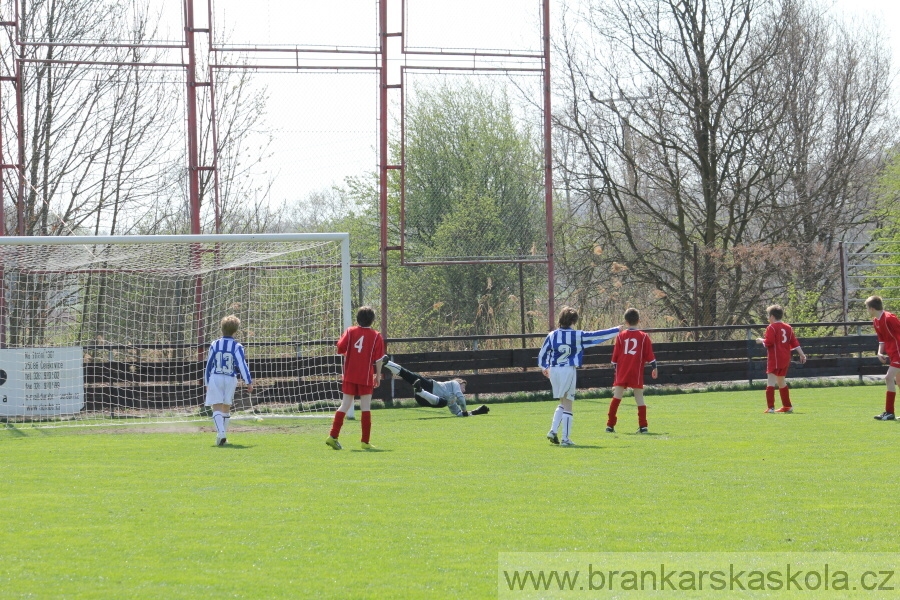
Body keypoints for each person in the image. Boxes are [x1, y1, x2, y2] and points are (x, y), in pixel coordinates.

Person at [538, 306, 620, 446]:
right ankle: (565, 439)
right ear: (573, 320)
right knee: (568, 404)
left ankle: (552, 431)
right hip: (567, 370)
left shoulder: (552, 335)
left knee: (562, 402)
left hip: (554, 371)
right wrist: (616, 330)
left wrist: (544, 367)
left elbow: (542, 354)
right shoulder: (576, 335)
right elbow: (595, 336)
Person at [326, 306, 385, 450]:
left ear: (357, 319)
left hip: (350, 374)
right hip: (365, 376)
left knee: (345, 405)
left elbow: (340, 347)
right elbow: (378, 359)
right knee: (365, 407)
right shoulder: (376, 336)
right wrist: (377, 375)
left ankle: (333, 436)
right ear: (372, 320)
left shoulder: (350, 331)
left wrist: (350, 355)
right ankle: (365, 442)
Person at [204, 315, 253, 446]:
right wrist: (248, 381)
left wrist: (206, 382)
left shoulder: (215, 344)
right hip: (230, 378)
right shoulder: (237, 346)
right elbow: (242, 365)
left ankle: (221, 434)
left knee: (216, 407)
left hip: (216, 377)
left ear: (221, 329)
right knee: (226, 408)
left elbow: (208, 364)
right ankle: (222, 436)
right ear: (235, 331)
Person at [606, 308, 657, 434]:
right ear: (639, 321)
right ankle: (643, 426)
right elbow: (650, 355)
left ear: (626, 322)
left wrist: (616, 374)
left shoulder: (620, 336)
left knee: (617, 397)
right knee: (639, 398)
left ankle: (610, 426)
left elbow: (614, 360)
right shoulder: (644, 337)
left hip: (622, 371)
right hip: (636, 371)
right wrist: (654, 367)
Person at [381, 358, 489, 416]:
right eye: (463, 386)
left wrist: (475, 412)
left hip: (424, 400)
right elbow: (461, 399)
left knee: (443, 402)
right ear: (459, 382)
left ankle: (419, 390)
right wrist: (466, 411)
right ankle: (387, 362)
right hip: (429, 386)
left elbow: (458, 414)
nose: (464, 390)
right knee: (411, 376)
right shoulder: (455, 384)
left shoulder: (451, 401)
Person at [755, 304, 807, 413]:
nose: (768, 318)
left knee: (770, 382)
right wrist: (802, 354)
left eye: (768, 316)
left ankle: (770, 407)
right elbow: (794, 342)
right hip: (785, 358)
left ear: (772, 316)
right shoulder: (788, 327)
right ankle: (787, 406)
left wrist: (761, 340)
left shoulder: (771, 327)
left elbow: (769, 342)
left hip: (775, 358)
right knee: (781, 381)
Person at [866, 296, 900, 421]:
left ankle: (889, 412)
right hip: (893, 354)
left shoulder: (889, 318)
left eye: (867, 308)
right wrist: (879, 353)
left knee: (888, 377)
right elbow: (882, 339)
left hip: (899, 353)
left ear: (872, 308)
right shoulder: (876, 321)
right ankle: (889, 412)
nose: (867, 311)